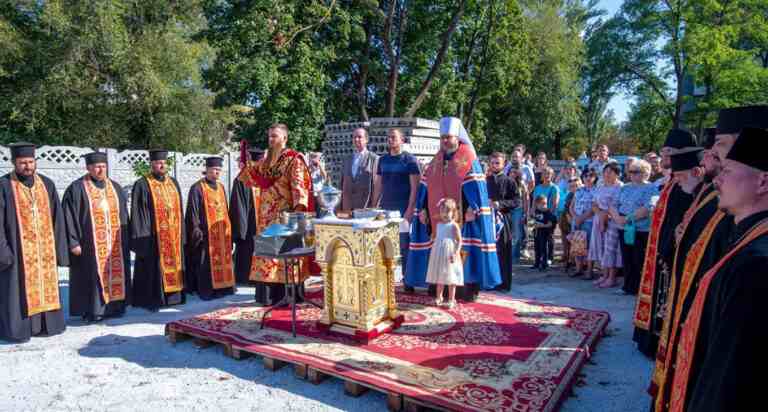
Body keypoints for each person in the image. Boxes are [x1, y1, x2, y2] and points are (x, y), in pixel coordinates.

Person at [650, 105, 767, 411]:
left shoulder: (757, 263)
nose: (718, 174)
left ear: (763, 182)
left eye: (723, 151)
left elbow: (730, 376)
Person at [406, 117, 501, 301]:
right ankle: (438, 287)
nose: (444, 141)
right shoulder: (436, 160)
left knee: (463, 252)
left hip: (464, 219)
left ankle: (465, 289)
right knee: (439, 253)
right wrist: (423, 209)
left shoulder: (469, 160)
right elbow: (426, 188)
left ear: (457, 137)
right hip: (437, 221)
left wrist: (474, 210)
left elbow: (477, 191)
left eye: (448, 137)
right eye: (442, 138)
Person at [632, 128, 701, 358]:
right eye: (663, 152)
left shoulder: (689, 182)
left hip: (671, 251)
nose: (664, 157)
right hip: (659, 249)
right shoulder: (670, 181)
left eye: (668, 152)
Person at [238, 123, 317, 306]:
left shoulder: (293, 159)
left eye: (275, 136)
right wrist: (245, 163)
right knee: (267, 256)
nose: (271, 140)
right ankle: (268, 297)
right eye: (270, 137)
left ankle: (288, 296)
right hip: (265, 217)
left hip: (285, 217)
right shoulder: (266, 161)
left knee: (285, 257)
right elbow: (252, 179)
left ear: (284, 138)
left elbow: (300, 187)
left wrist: (297, 214)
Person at [0, 143, 69, 342]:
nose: (27, 166)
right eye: (23, 163)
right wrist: (3, 251)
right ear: (14, 163)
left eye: (30, 162)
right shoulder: (4, 186)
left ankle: (46, 325)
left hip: (44, 252)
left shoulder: (46, 184)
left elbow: (58, 219)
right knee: (15, 291)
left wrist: (59, 249)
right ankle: (19, 330)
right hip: (16, 250)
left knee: (45, 285)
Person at [62, 151, 131, 322]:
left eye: (103, 166)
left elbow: (124, 215)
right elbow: (68, 217)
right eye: (96, 167)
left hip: (115, 244)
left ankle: (115, 307)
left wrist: (126, 238)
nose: (101, 170)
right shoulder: (77, 188)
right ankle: (94, 311)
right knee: (92, 277)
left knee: (116, 274)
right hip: (90, 243)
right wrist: (73, 242)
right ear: (88, 168)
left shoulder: (115, 187)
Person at [130, 149, 186, 311]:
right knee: (154, 268)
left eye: (163, 162)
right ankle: (154, 298)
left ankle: (174, 298)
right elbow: (139, 213)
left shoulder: (173, 183)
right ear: (152, 164)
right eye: (158, 163)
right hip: (154, 236)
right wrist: (144, 238)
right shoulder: (142, 184)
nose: (161, 165)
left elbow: (179, 210)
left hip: (173, 235)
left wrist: (182, 233)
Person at [371, 128, 421, 280]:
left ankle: (408, 279)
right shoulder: (382, 160)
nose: (390, 140)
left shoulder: (410, 160)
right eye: (389, 137)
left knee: (404, 246)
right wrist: (373, 207)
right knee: (385, 245)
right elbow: (378, 185)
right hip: (385, 209)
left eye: (394, 137)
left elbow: (415, 188)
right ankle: (386, 278)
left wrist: (410, 210)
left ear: (402, 140)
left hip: (403, 210)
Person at [184, 156, 235, 301]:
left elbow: (225, 209)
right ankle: (208, 291)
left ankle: (224, 288)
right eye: (213, 170)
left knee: (224, 263)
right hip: (206, 235)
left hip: (221, 234)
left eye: (219, 170)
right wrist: (197, 233)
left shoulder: (221, 187)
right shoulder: (197, 188)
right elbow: (192, 213)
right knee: (205, 264)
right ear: (206, 170)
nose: (216, 173)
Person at [610, 159, 656, 295]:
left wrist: (627, 219)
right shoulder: (624, 187)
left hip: (640, 229)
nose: (632, 174)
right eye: (631, 172)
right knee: (626, 257)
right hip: (623, 227)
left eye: (636, 172)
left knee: (639, 259)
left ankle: (640, 289)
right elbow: (613, 204)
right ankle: (628, 286)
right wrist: (618, 218)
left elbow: (647, 208)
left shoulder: (651, 188)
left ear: (645, 173)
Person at [229, 147, 264, 285]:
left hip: (262, 222)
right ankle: (247, 278)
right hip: (250, 224)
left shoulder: (265, 176)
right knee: (247, 250)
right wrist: (241, 230)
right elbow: (238, 206)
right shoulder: (243, 178)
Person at [486, 152, 520, 291]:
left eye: (497, 163)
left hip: (503, 219)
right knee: (489, 250)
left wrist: (500, 204)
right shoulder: (485, 180)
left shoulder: (509, 181)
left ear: (504, 164)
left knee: (504, 251)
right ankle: (490, 280)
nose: (494, 165)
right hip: (487, 219)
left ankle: (504, 283)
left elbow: (517, 201)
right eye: (492, 162)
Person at [590, 163, 624, 288]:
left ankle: (612, 277)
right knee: (602, 248)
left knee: (611, 250)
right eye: (605, 171)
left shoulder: (620, 187)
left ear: (617, 174)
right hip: (599, 220)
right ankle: (604, 275)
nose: (607, 174)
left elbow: (615, 206)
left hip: (612, 221)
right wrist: (599, 214)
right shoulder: (601, 186)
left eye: (610, 172)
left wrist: (604, 217)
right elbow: (593, 203)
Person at [425, 198, 464, 308]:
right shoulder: (439, 225)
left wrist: (456, 252)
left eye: (447, 211)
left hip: (450, 253)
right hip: (439, 252)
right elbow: (437, 236)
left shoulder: (454, 225)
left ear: (453, 212)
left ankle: (452, 299)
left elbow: (460, 240)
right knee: (440, 275)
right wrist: (433, 239)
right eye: (442, 211)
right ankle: (439, 297)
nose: (444, 214)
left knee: (451, 276)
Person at [341, 128, 378, 211]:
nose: (356, 139)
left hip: (365, 207)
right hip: (348, 208)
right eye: (354, 137)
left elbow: (376, 187)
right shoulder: (347, 159)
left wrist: (373, 208)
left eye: (359, 137)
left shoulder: (374, 159)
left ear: (366, 140)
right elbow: (343, 184)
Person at [570, 170, 596, 278]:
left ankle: (589, 270)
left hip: (589, 221)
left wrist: (582, 218)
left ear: (595, 177)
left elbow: (594, 208)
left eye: (591, 175)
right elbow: (571, 206)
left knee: (589, 246)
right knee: (577, 244)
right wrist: (576, 218)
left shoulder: (596, 191)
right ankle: (578, 268)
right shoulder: (579, 190)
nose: (588, 177)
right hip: (576, 221)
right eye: (585, 176)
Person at [532, 167, 560, 265]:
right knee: (538, 238)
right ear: (542, 175)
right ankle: (539, 258)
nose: (547, 175)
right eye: (545, 173)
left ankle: (550, 258)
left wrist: (547, 216)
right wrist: (532, 214)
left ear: (552, 175)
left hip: (549, 215)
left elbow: (554, 203)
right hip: (539, 215)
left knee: (549, 238)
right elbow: (534, 202)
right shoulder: (537, 187)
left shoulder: (554, 188)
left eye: (549, 173)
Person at [532, 195, 557, 271]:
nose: (544, 205)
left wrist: (542, 225)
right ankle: (537, 263)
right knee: (537, 248)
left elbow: (550, 224)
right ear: (537, 204)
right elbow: (536, 220)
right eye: (542, 204)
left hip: (546, 234)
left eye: (545, 203)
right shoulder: (537, 211)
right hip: (537, 233)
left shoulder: (548, 212)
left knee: (544, 249)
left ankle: (544, 264)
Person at [560, 176, 580, 271]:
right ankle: (567, 260)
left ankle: (574, 261)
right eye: (572, 186)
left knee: (575, 241)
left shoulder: (581, 194)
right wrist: (569, 217)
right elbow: (566, 208)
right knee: (566, 241)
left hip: (576, 219)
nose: (574, 188)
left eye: (576, 186)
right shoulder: (569, 195)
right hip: (567, 219)